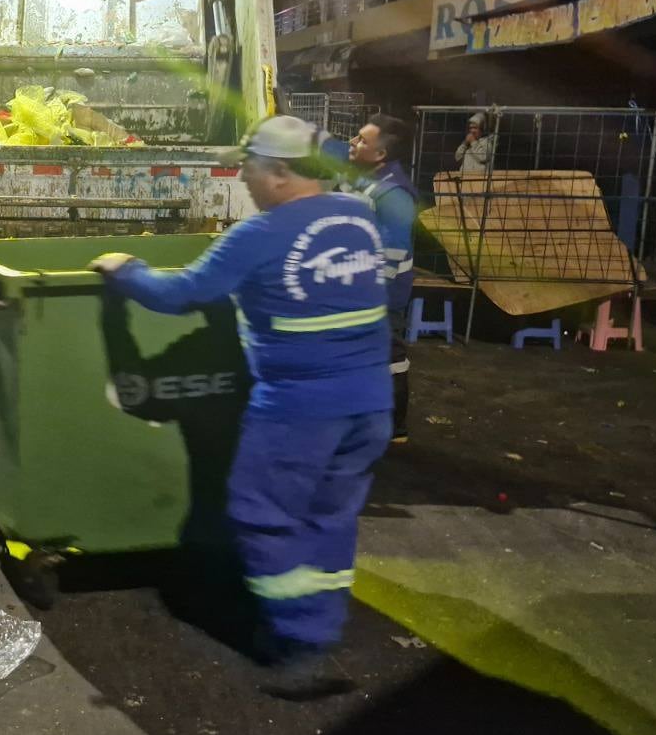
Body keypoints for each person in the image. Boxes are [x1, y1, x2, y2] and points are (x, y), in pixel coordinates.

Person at [91, 115, 391, 699]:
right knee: (329, 514)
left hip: (298, 411)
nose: (243, 178)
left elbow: (179, 295)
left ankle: (297, 640)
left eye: (247, 167)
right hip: (370, 403)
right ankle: (322, 622)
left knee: (262, 513)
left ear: (279, 172)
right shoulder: (360, 216)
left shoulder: (257, 236)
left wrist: (124, 270)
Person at [324, 114, 417, 443]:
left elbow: (393, 253)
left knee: (388, 357)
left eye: (362, 140)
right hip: (353, 286)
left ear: (380, 155)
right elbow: (331, 147)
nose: (353, 142)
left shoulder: (393, 195)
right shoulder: (364, 174)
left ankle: (395, 428)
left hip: (380, 293)